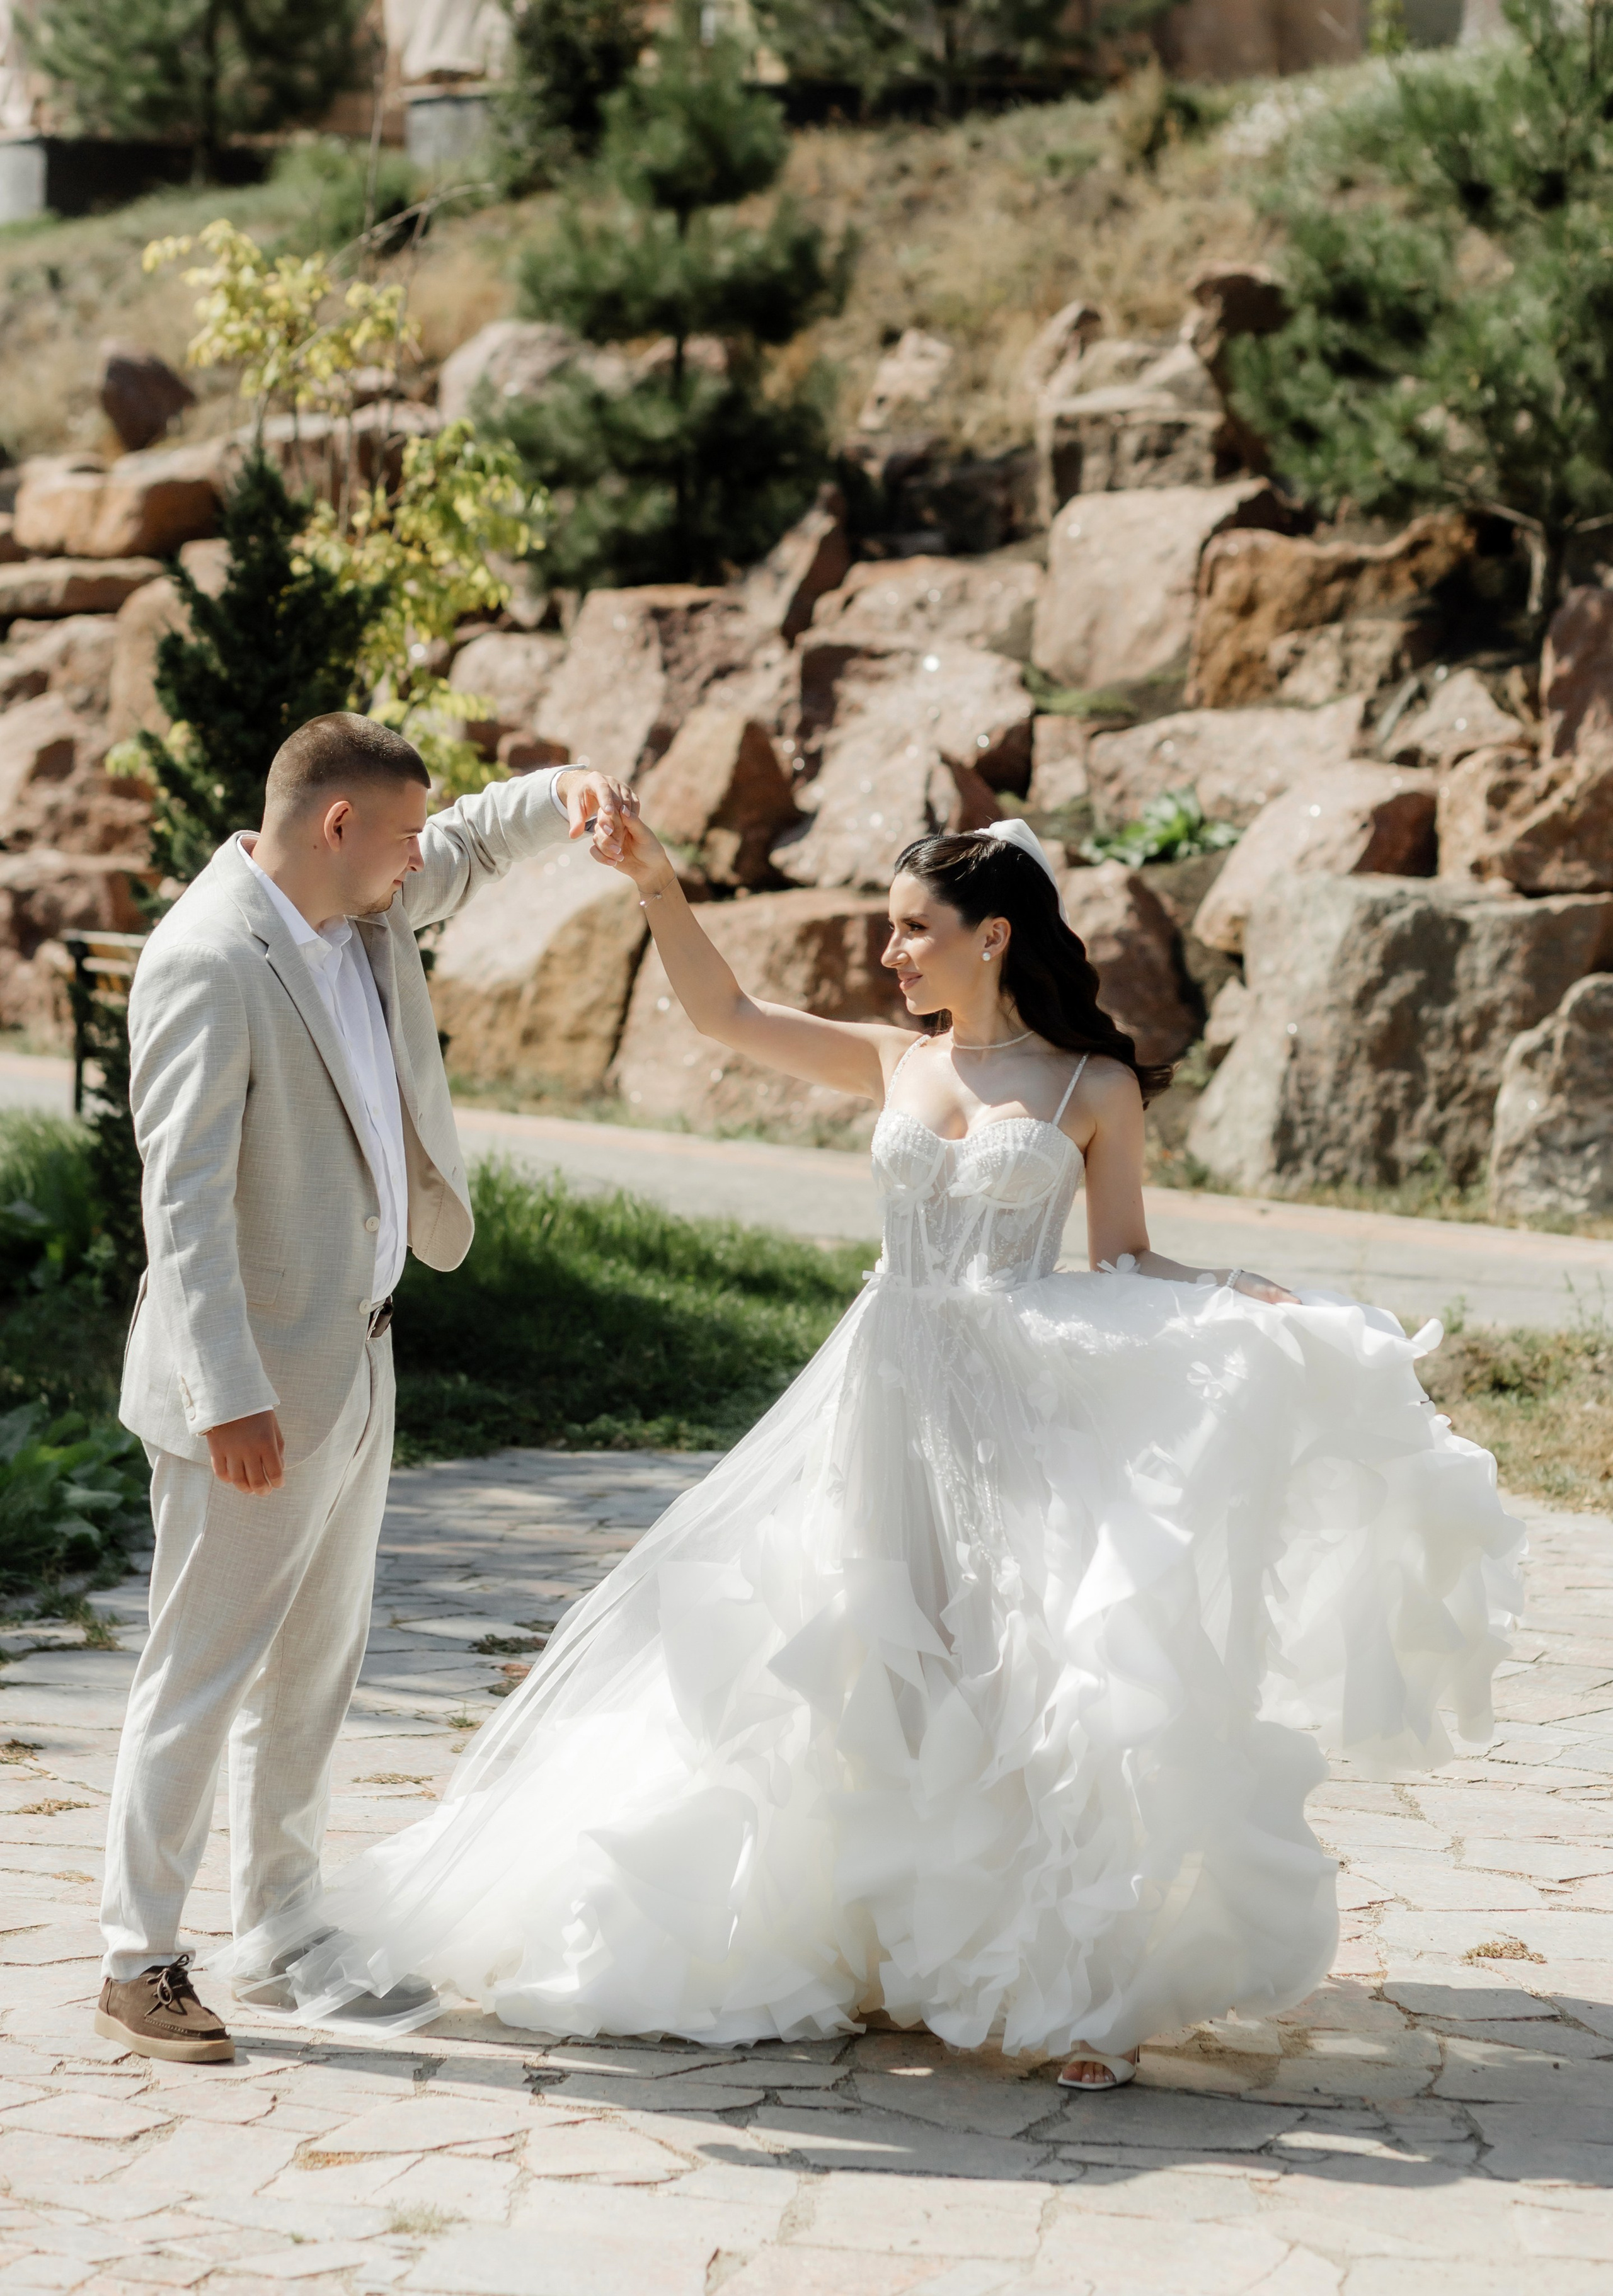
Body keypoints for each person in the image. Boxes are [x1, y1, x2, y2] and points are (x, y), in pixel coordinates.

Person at [210, 811, 1522, 2090]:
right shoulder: (900, 1061)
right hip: (882, 1394)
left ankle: (1069, 1985)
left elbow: (1123, 1256)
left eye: (912, 928)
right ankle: (871, 1938)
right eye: (890, 928)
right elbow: (726, 1014)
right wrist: (658, 885)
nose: (889, 952)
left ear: (991, 935)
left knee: (1025, 1673)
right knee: (863, 1660)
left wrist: (1242, 1297)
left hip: (1015, 1406)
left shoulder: (1092, 1086)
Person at [96, 715, 636, 2065]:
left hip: (360, 1352)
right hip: (251, 1385)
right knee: (200, 1670)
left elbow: (471, 842)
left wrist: (565, 789)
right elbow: (183, 1204)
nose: (419, 859)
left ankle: (279, 1926)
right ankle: (136, 1958)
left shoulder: (366, 905)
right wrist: (227, 1391)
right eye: (400, 836)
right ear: (336, 825)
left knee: (315, 1670)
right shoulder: (208, 957)